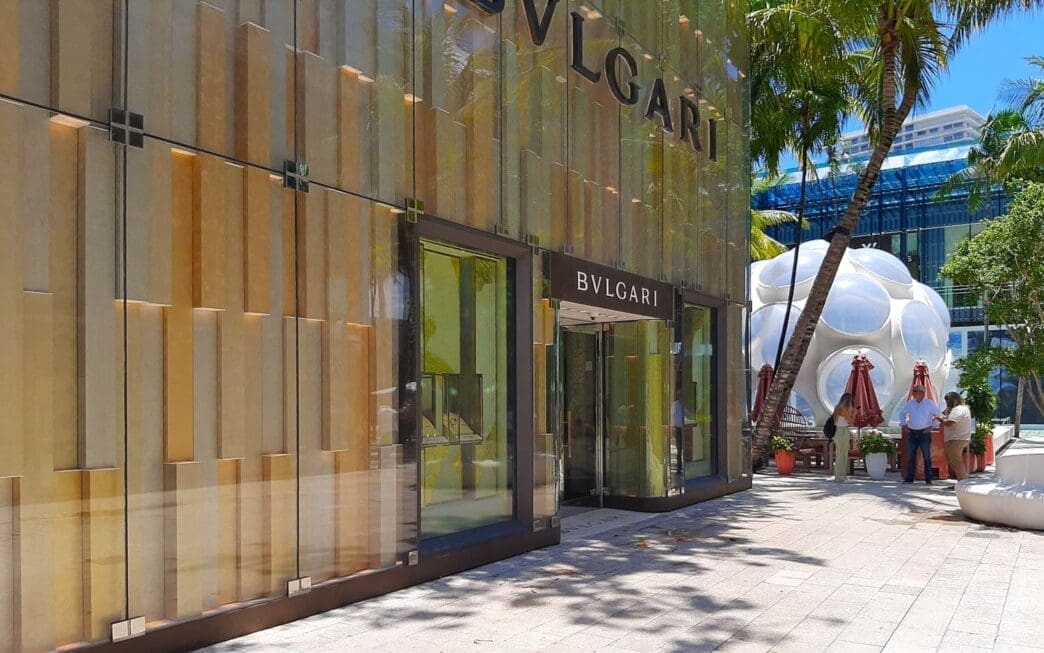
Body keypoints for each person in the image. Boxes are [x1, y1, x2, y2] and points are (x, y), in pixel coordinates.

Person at [900, 384, 945, 485]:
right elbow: (902, 414)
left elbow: (939, 415)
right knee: (911, 456)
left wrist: (932, 427)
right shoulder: (910, 403)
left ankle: (928, 479)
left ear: (922, 393)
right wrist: (904, 425)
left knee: (926, 456)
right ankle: (909, 478)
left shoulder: (929, 403)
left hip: (924, 433)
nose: (914, 393)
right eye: (914, 391)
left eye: (916, 391)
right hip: (912, 432)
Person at [942, 391, 973, 482]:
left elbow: (951, 422)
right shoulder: (964, 408)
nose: (947, 403)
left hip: (956, 439)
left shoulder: (957, 409)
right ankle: (962, 481)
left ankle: (962, 482)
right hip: (961, 438)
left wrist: (941, 420)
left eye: (947, 401)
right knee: (955, 461)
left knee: (956, 462)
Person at [832, 393, 855, 482]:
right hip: (843, 431)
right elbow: (850, 422)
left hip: (838, 431)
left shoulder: (837, 408)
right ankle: (840, 477)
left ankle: (840, 475)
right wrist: (854, 414)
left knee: (840, 454)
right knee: (842, 455)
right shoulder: (843, 409)